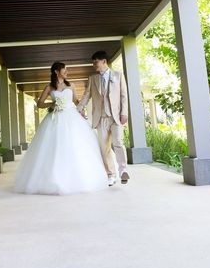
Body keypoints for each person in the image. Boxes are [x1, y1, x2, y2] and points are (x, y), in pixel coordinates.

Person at [14, 61, 108, 195]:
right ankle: (53, 178)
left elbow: (76, 101)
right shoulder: (49, 87)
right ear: (56, 72)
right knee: (54, 147)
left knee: (74, 145)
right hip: (55, 118)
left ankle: (76, 178)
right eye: (64, 70)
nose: (67, 72)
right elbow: (40, 103)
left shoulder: (71, 85)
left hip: (72, 118)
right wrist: (52, 104)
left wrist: (82, 111)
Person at [78, 51, 129, 186]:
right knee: (104, 147)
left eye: (96, 62)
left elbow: (124, 96)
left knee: (118, 143)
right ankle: (111, 174)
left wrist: (124, 113)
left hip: (116, 117)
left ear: (104, 61)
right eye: (93, 62)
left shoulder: (118, 75)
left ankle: (123, 170)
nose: (94, 64)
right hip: (100, 118)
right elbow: (86, 95)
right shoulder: (92, 78)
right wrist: (79, 108)